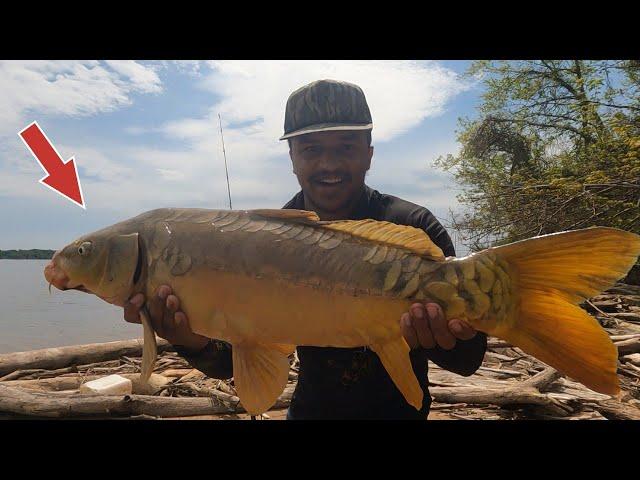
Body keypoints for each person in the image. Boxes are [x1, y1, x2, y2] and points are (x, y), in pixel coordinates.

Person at [123, 79, 487, 419]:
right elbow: (243, 354)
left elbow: (468, 361)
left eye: (345, 147)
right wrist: (186, 338)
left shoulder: (413, 227)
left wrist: (441, 338)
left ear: (369, 153)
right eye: (311, 150)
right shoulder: (264, 241)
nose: (328, 165)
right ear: (293, 157)